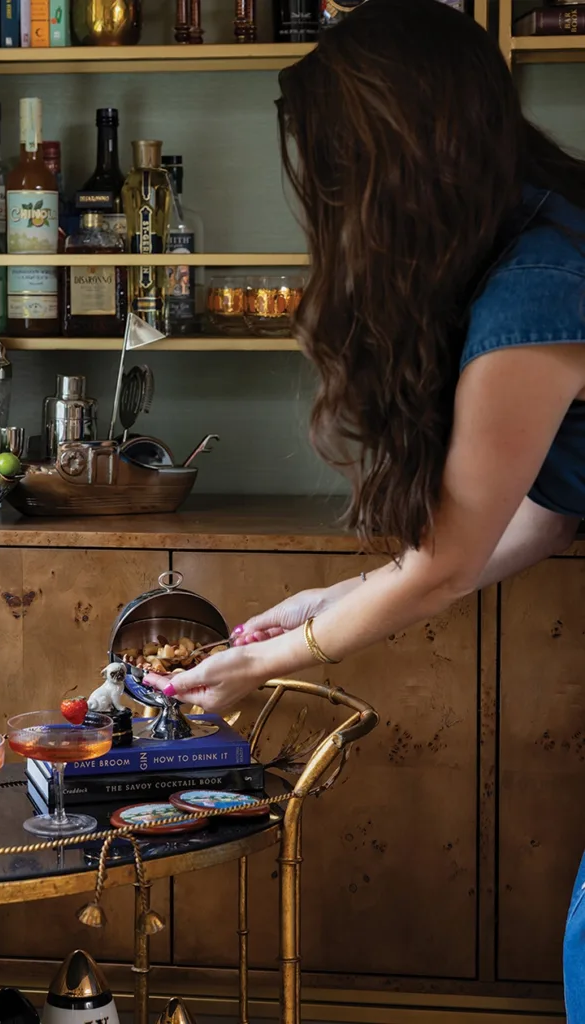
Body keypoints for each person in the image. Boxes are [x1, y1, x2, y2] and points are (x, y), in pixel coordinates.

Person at [145, 0, 585, 1011]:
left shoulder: (534, 295)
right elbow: (546, 509)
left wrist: (261, 660)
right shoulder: (533, 227)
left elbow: (440, 561)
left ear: (392, 165)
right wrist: (333, 596)